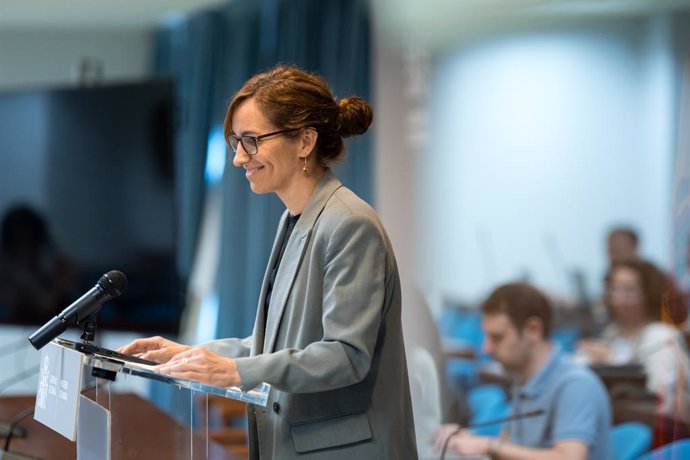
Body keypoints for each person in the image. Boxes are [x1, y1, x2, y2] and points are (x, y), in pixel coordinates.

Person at [119, 65, 418, 459]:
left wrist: (237, 372)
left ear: (305, 141)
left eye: (252, 141)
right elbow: (274, 345)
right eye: (235, 142)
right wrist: (192, 353)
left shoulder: (350, 224)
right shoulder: (295, 217)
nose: (239, 158)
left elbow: (347, 355)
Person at [435, 283, 611, 460]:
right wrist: (467, 440)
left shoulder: (576, 385)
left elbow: (569, 458)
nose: (486, 348)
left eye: (497, 338)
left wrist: (488, 446)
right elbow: (506, 447)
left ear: (532, 330)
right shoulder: (524, 381)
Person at [578, 260, 690, 428]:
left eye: (628, 290)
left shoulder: (660, 335)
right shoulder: (614, 332)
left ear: (649, 292)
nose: (619, 297)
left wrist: (610, 363)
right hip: (622, 422)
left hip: (656, 432)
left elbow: (665, 400)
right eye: (614, 289)